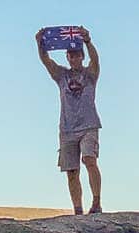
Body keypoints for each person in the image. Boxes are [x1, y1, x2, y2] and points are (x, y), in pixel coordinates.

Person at [36, 27, 102, 214]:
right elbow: (46, 61)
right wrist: (40, 44)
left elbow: (96, 60)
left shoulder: (90, 75)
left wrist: (88, 42)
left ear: (81, 56)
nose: (73, 59)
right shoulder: (62, 76)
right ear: (67, 58)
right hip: (67, 129)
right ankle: (78, 210)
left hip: (88, 124)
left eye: (76, 55)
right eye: (70, 56)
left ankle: (96, 202)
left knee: (89, 159)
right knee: (72, 171)